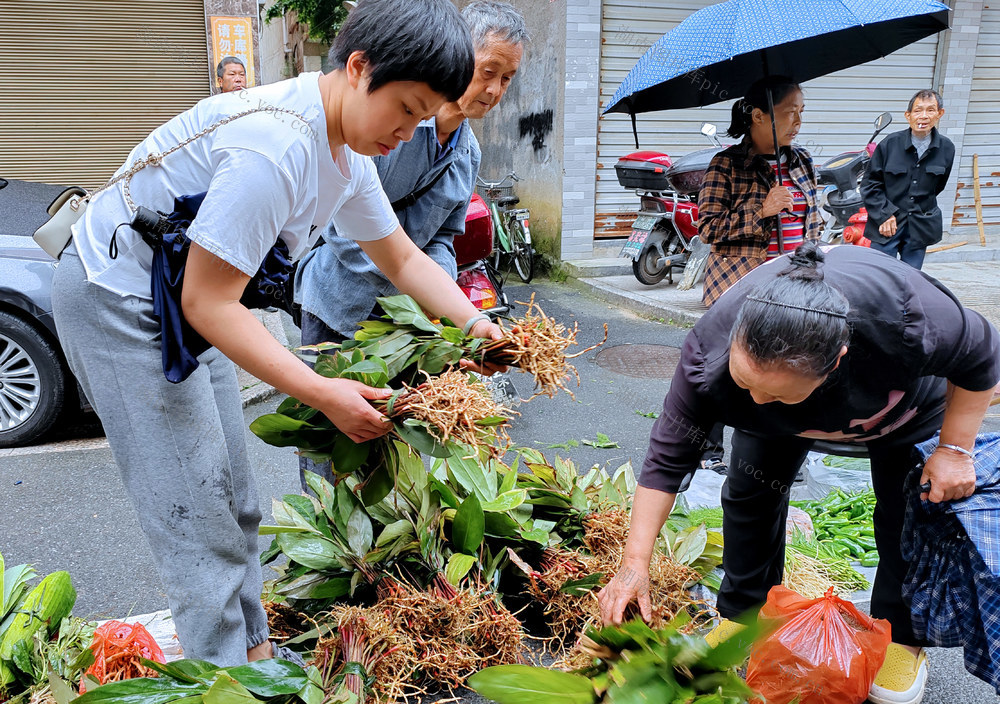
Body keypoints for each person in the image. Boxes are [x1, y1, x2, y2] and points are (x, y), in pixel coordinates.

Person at [51, 0, 505, 668]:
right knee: (194, 515)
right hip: (119, 297)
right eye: (405, 108)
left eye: (424, 115)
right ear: (358, 68)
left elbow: (402, 257)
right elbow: (210, 303)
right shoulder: (278, 146)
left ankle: (253, 654)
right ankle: (226, 677)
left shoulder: (346, 153)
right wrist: (323, 391)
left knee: (233, 494)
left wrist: (478, 325)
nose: (409, 132)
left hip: (182, 294)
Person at [597, 242, 999, 704]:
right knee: (750, 493)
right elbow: (666, 460)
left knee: (903, 513)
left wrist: (953, 449)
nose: (757, 400)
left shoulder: (905, 319)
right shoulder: (708, 353)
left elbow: (982, 355)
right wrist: (634, 566)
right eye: (746, 382)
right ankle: (742, 615)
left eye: (778, 394)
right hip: (782, 426)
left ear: (837, 359)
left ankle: (901, 637)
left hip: (902, 411)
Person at [294, 0, 527, 491]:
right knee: (331, 439)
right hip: (340, 306)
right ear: (457, 58)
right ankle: (320, 536)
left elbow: (443, 238)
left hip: (410, 324)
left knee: (387, 439)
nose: (495, 90)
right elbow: (345, 233)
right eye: (488, 71)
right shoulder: (384, 125)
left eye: (507, 79)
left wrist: (442, 306)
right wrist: (415, 295)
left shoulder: (468, 150)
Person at [698, 76, 823, 308]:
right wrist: (762, 211)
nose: (798, 121)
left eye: (801, 112)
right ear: (758, 116)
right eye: (790, 112)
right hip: (743, 288)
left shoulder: (802, 160)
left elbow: (813, 225)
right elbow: (708, 229)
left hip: (795, 287)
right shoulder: (727, 164)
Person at [861, 89, 955, 270]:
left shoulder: (947, 148)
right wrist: (884, 214)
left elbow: (937, 187)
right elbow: (870, 184)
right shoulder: (889, 144)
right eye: (918, 110)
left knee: (911, 278)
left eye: (930, 110)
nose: (924, 116)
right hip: (887, 224)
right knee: (879, 275)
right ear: (908, 115)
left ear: (939, 114)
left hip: (919, 226)